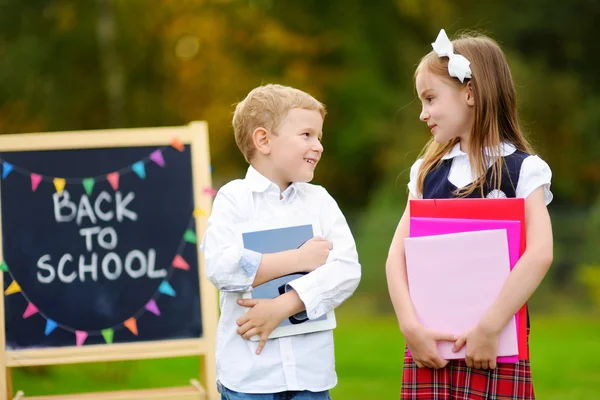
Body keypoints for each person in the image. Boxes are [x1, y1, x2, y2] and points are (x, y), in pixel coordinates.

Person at [386, 29, 554, 399]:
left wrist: (490, 327)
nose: (422, 113)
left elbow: (540, 253)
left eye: (431, 98)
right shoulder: (426, 172)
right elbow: (396, 255)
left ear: (471, 93)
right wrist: (409, 326)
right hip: (430, 345)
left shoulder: (525, 171)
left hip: (494, 347)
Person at [201, 84, 361, 400]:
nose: (318, 146)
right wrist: (300, 260)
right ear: (264, 140)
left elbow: (346, 270)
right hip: (250, 377)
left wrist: (285, 305)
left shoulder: (320, 201)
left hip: (310, 375)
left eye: (319, 137)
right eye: (306, 135)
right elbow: (222, 267)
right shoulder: (233, 200)